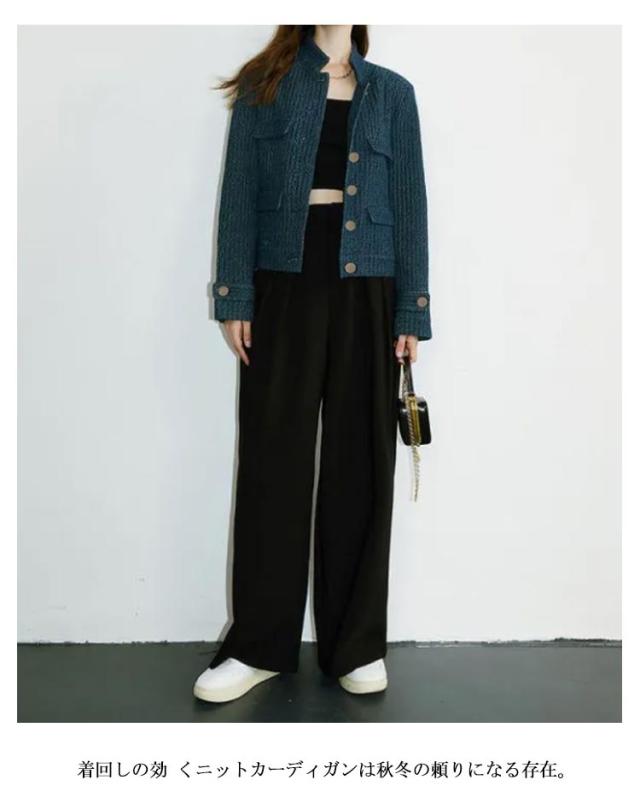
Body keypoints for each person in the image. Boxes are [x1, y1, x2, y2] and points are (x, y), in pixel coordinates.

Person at [193, 24, 431, 703]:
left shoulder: (392, 94)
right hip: (283, 281)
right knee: (274, 460)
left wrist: (411, 308)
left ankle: (355, 643)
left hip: (369, 286)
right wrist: (235, 294)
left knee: (361, 462)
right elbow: (239, 193)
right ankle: (257, 645)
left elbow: (410, 203)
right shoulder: (264, 84)